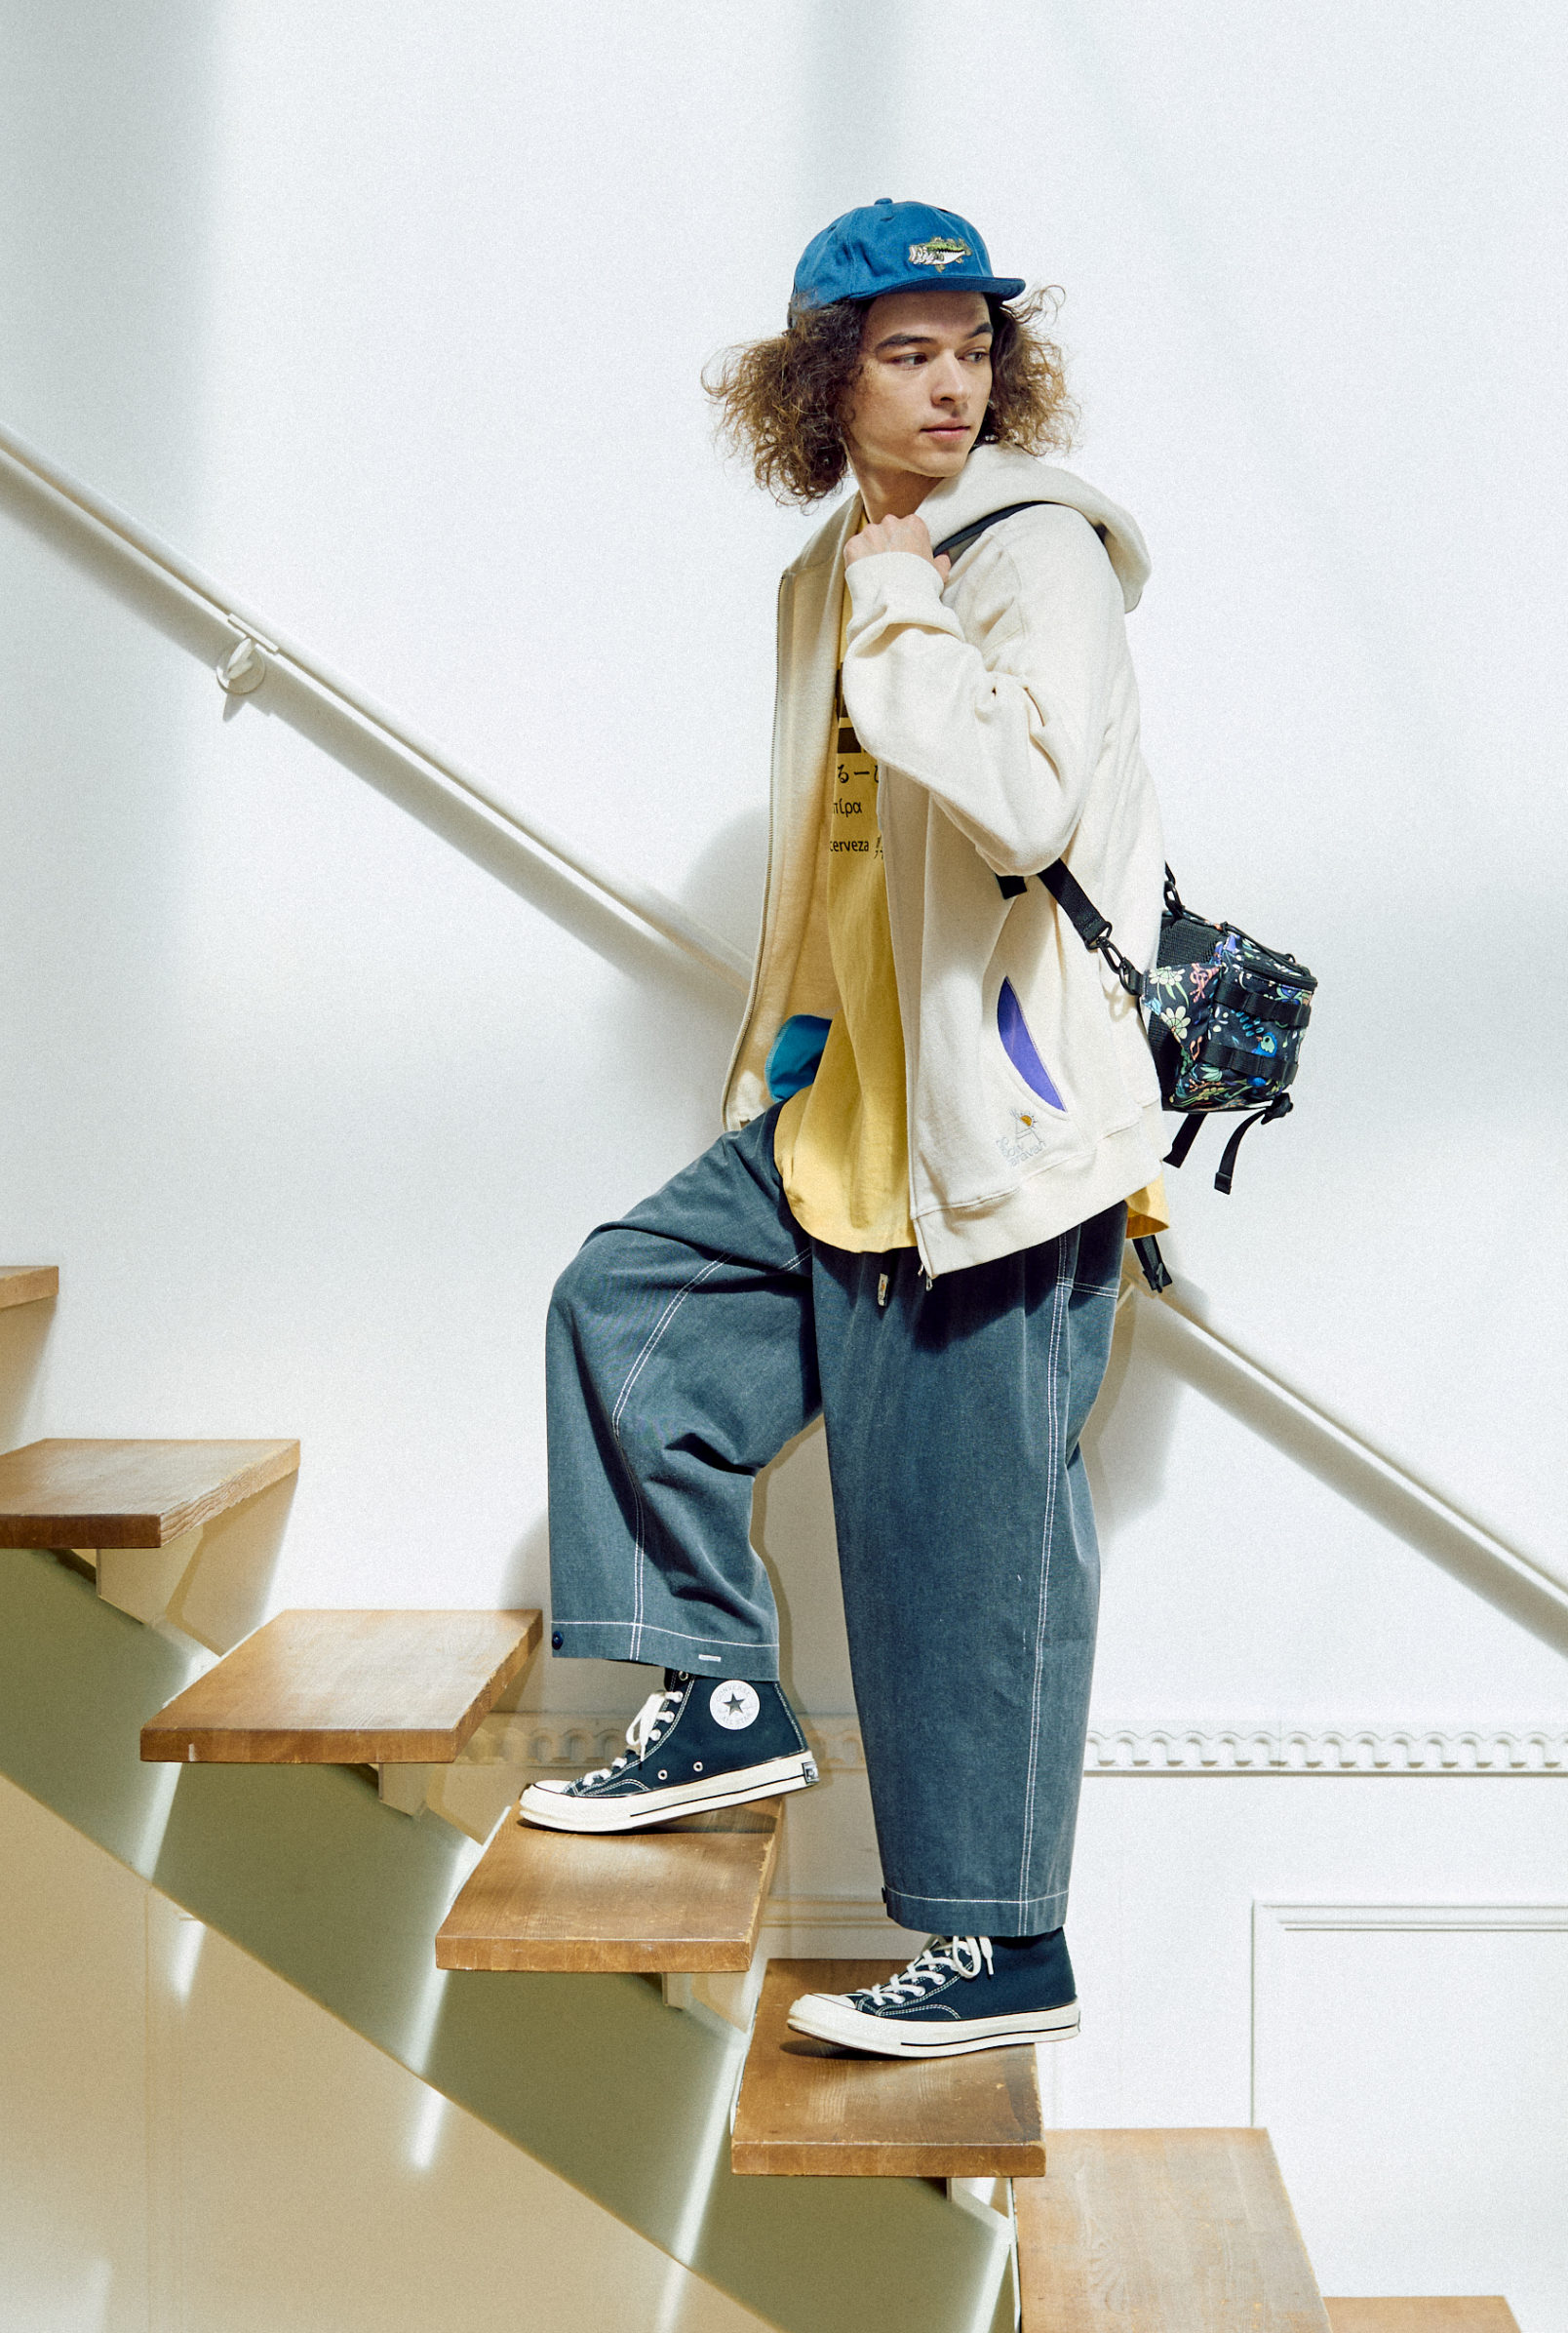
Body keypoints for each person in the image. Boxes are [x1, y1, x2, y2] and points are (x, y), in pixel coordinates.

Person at [520, 198, 1170, 2061]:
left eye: (975, 349)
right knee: (626, 1310)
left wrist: (905, 601)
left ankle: (1006, 1947)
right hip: (849, 1115)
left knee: (963, 1553)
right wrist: (791, 1053)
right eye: (908, 353)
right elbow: (842, 843)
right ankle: (719, 1689)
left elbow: (1024, 809)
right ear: (827, 379)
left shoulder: (1034, 555)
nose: (952, 384)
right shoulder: (833, 567)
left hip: (1003, 1140)